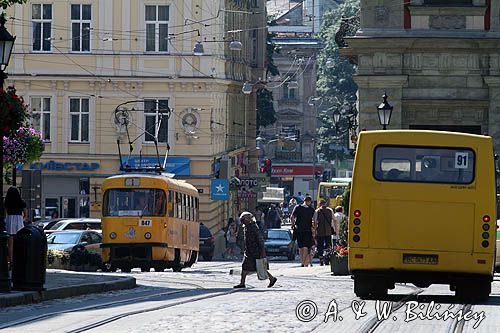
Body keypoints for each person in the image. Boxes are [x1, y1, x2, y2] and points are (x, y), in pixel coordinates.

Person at [233, 212, 277, 288]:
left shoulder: (253, 227)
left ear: (247, 219)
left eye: (243, 220)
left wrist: (262, 252)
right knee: (247, 267)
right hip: (249, 251)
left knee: (259, 267)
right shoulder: (246, 227)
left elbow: (260, 240)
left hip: (255, 251)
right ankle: (242, 283)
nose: (242, 221)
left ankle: (272, 278)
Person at [4, 187, 27, 266]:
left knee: (10, 243)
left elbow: (5, 214)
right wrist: (21, 220)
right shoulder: (21, 202)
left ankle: (11, 261)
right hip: (18, 221)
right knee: (19, 242)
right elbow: (25, 215)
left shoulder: (7, 202)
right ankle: (19, 260)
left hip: (10, 221)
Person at [291, 196, 315, 267]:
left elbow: (292, 216)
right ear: (309, 201)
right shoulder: (311, 209)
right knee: (306, 247)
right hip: (307, 230)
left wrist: (293, 225)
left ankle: (302, 261)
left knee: (300, 247)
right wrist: (314, 229)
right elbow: (314, 220)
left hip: (298, 229)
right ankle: (304, 263)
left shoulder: (298, 207)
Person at [313, 199, 335, 266]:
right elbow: (334, 219)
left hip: (320, 231)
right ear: (325, 203)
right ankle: (328, 259)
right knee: (329, 246)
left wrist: (314, 231)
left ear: (319, 204)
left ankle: (321, 260)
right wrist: (334, 229)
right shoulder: (330, 210)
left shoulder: (317, 211)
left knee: (320, 246)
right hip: (328, 231)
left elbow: (315, 222)